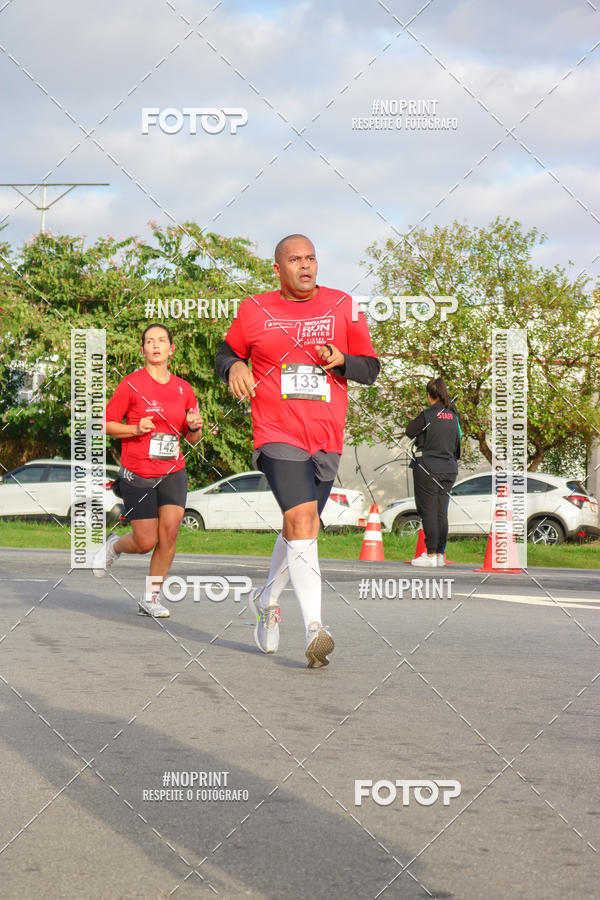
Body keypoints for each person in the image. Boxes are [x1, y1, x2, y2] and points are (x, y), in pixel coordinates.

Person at [215, 234, 379, 667]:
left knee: (299, 526)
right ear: (278, 268)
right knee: (303, 518)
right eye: (295, 259)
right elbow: (225, 350)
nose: (305, 266)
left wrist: (343, 360)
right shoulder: (254, 309)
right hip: (275, 431)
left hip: (326, 437)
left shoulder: (345, 305)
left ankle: (267, 599)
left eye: (311, 258)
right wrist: (233, 365)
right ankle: (315, 628)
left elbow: (371, 368)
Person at [92, 324, 203, 616]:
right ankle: (115, 547)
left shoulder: (184, 389)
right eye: (150, 342)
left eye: (162, 341)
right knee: (145, 541)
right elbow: (106, 424)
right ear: (142, 350)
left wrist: (194, 429)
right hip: (138, 472)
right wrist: (134, 428)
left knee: (169, 534)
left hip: (173, 471)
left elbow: (191, 438)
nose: (156, 345)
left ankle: (150, 598)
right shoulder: (131, 384)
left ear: (171, 349)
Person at [406, 377, 461, 567]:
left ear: (430, 396)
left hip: (428, 467)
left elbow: (409, 431)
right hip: (449, 469)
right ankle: (439, 554)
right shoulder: (454, 416)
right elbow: (457, 445)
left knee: (428, 510)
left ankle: (429, 554)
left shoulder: (428, 415)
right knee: (441, 511)